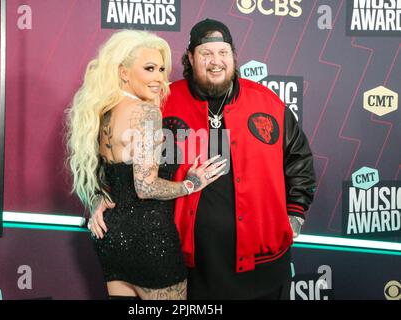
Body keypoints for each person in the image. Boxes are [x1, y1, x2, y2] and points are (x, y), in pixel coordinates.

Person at [93, 19, 316, 300]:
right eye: (206, 54)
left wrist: (295, 214)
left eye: (223, 53)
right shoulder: (161, 101)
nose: (215, 62)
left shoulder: (267, 102)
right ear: (190, 58)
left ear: (233, 56)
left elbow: (299, 160)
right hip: (191, 264)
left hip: (262, 264)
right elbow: (113, 154)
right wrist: (99, 194)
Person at [66, 30, 227, 300]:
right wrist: (190, 184)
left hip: (111, 236)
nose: (159, 78)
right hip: (151, 239)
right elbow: (145, 186)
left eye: (162, 69)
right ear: (124, 73)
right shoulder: (145, 112)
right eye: (149, 68)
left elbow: (107, 178)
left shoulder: (102, 112)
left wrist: (97, 200)